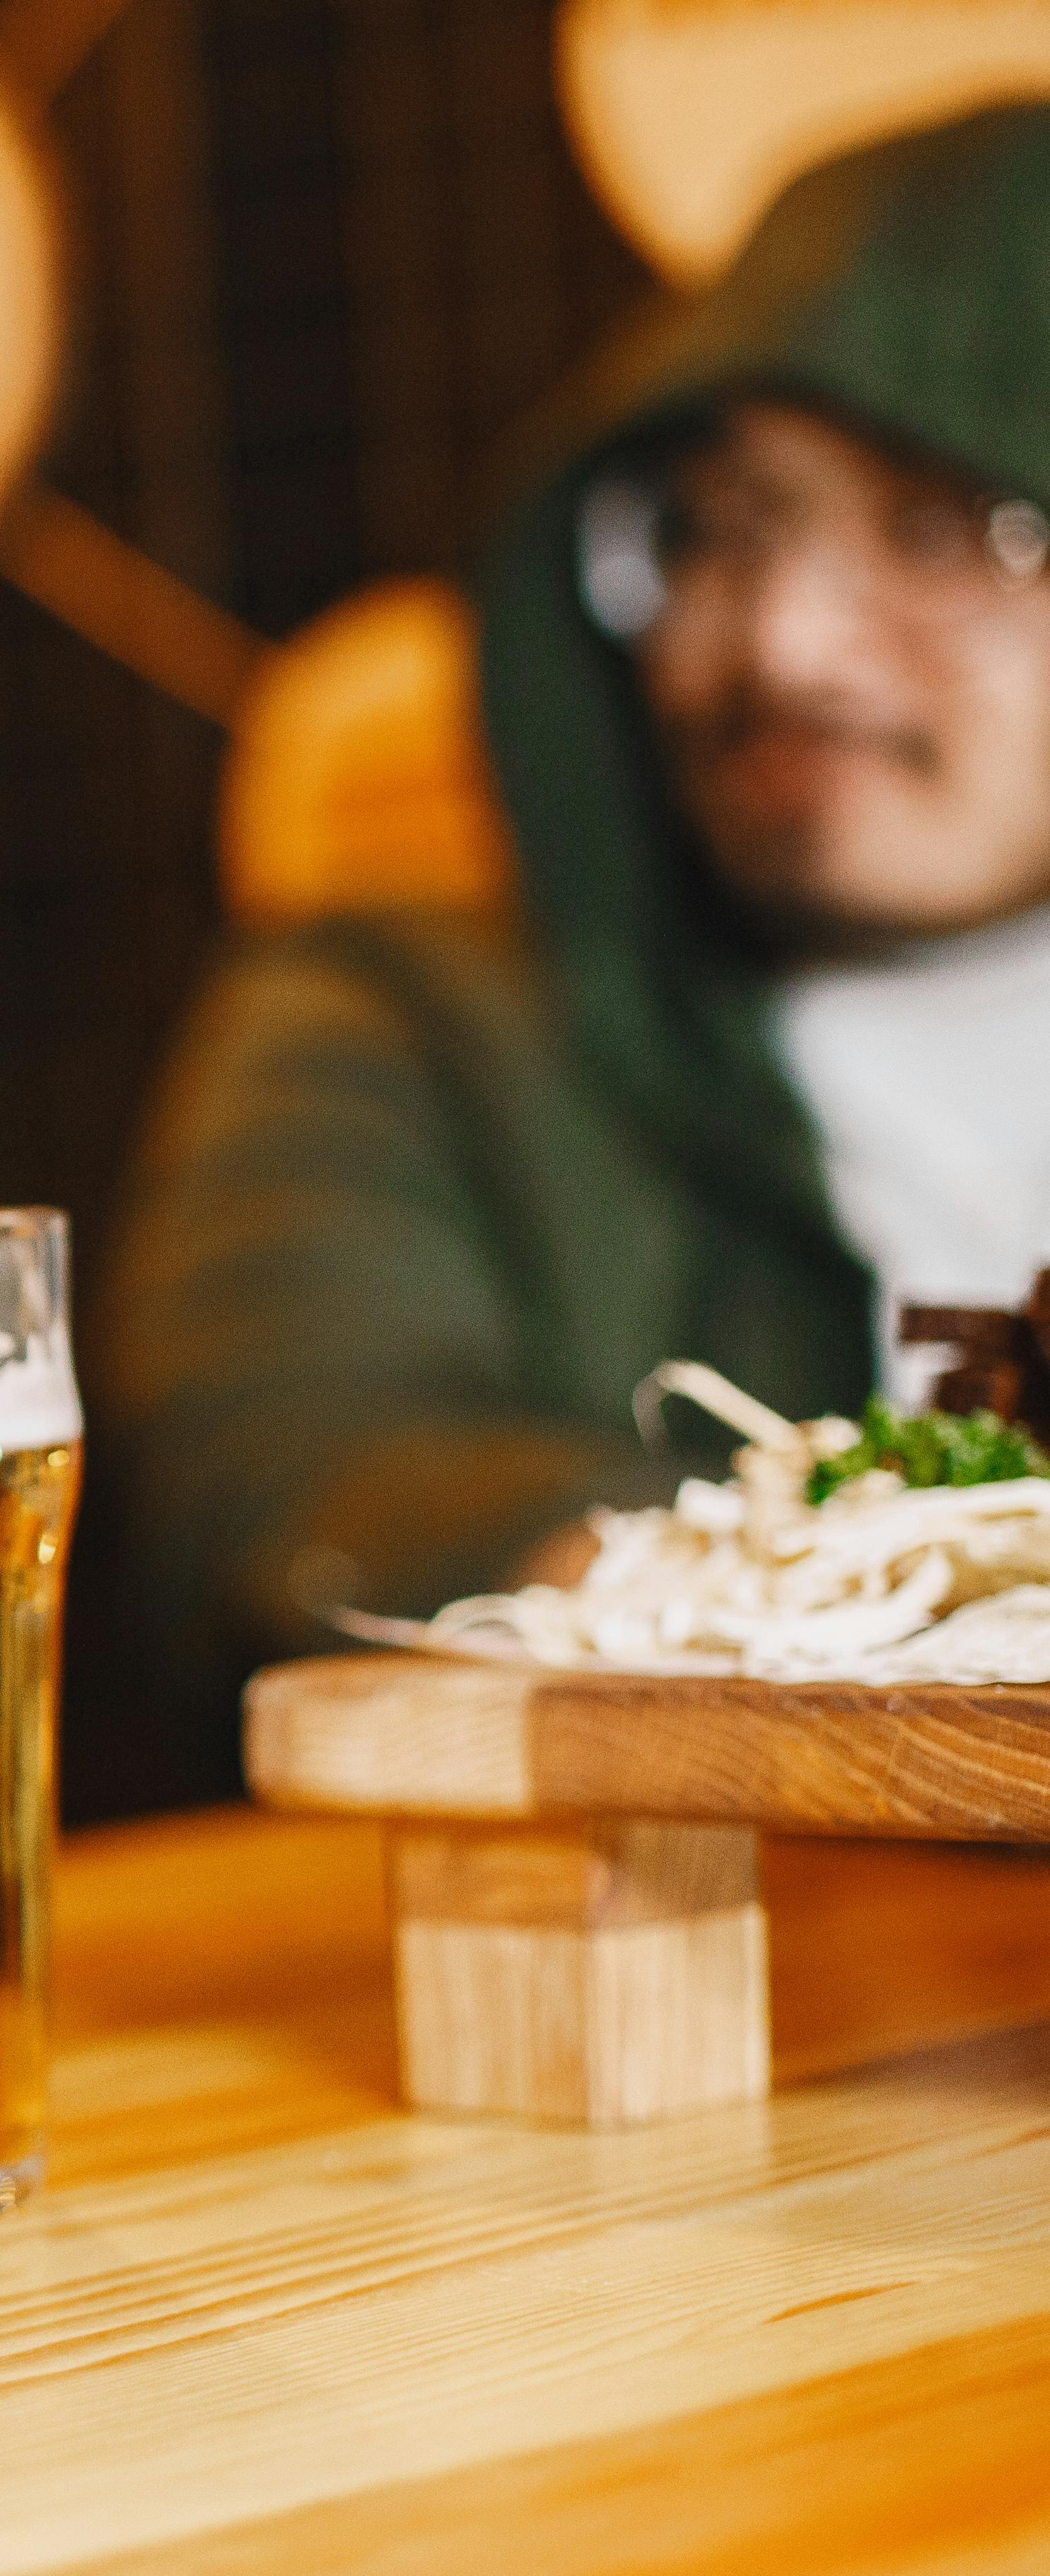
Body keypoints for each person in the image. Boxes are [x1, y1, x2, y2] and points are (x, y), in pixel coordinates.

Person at [107, 103, 1050, 1788]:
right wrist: (857, 1610)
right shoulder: (405, 1018)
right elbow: (293, 1481)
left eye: (936, 524)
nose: (784, 641)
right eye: (719, 531)